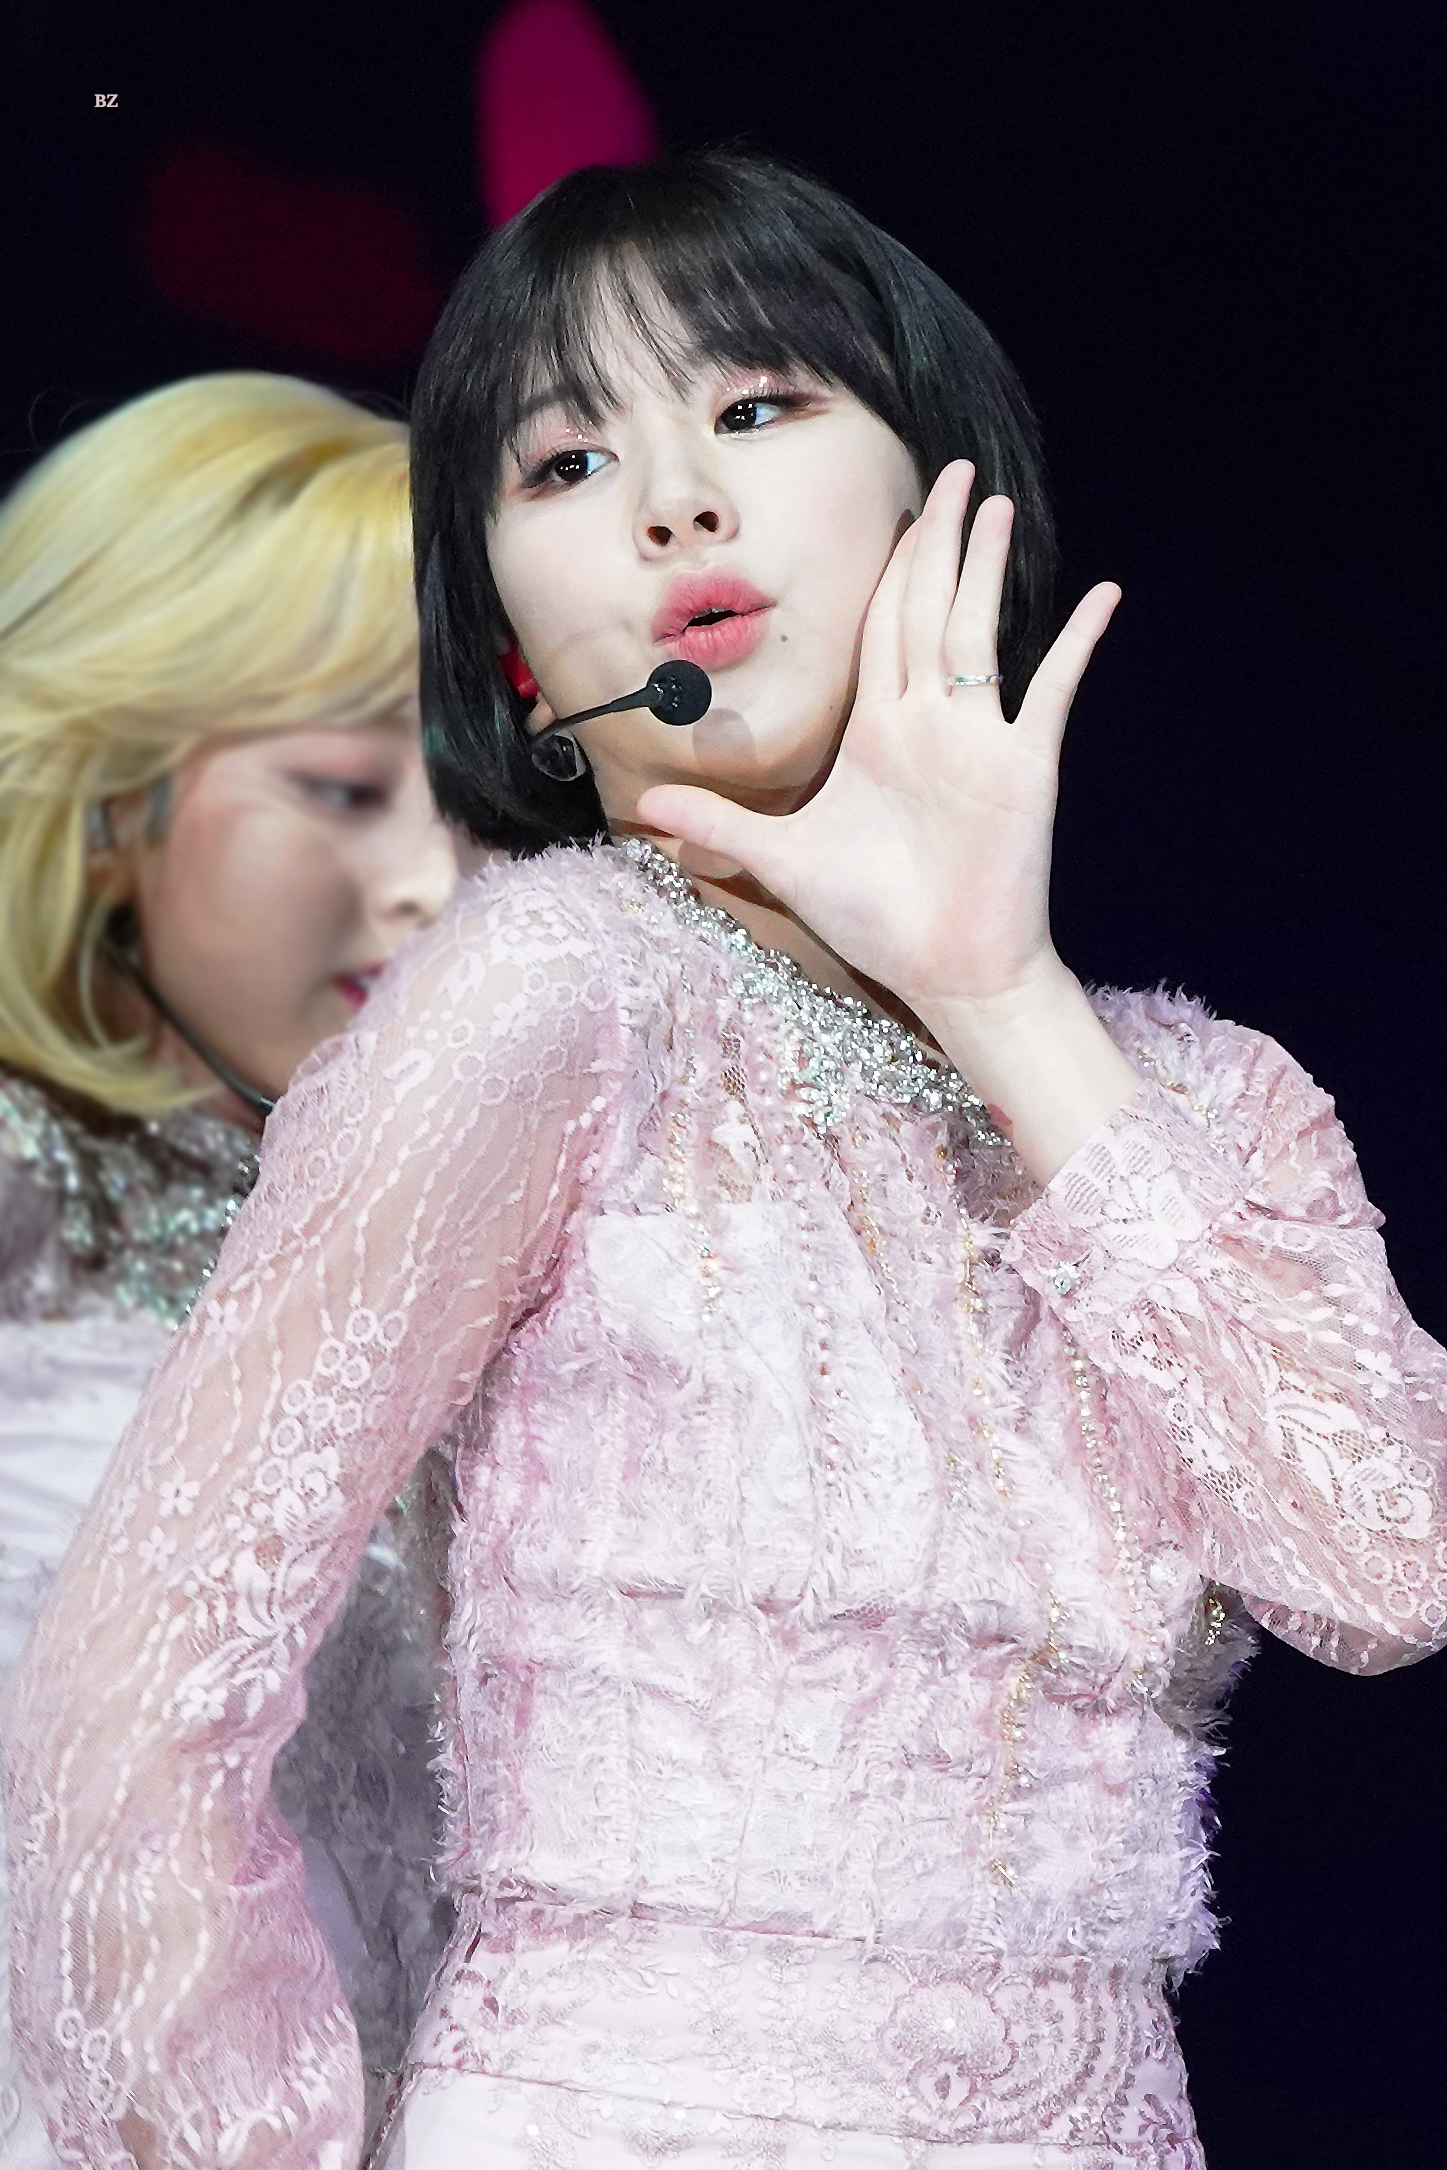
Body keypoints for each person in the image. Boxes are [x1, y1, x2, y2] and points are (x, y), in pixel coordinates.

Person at [5, 153, 1446, 2170]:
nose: (676, 500)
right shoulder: (553, 993)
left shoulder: (1202, 1098)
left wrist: (1000, 993)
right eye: (566, 463)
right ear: (510, 645)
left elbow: (1390, 1565)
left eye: (757, 406)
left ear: (943, 486)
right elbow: (134, 1703)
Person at [0, 374, 458, 2169]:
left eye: (477, 796)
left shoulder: (478, 1214)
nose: (431, 880)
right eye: (343, 786)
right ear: (106, 800)